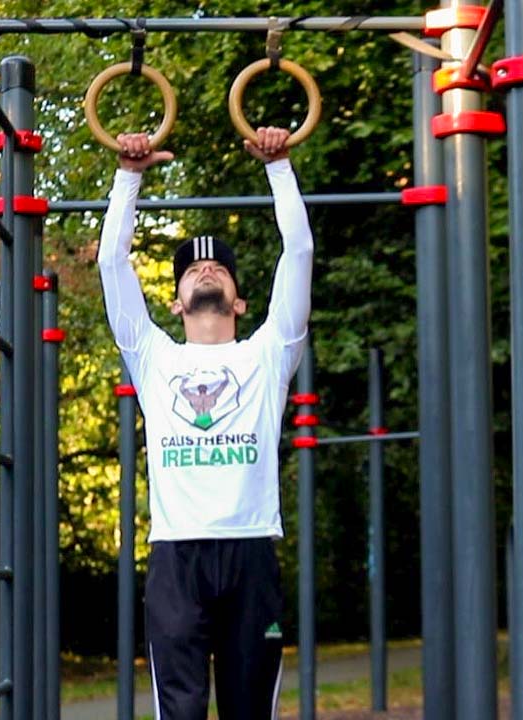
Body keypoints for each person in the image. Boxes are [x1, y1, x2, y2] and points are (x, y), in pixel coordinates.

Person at [96, 127, 313, 718]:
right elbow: (111, 263)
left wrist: (280, 167)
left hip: (251, 556)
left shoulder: (269, 355)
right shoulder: (153, 356)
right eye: (193, 268)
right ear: (176, 301)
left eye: (219, 266)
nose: (206, 269)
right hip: (177, 559)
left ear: (241, 300)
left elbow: (299, 254)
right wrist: (128, 175)